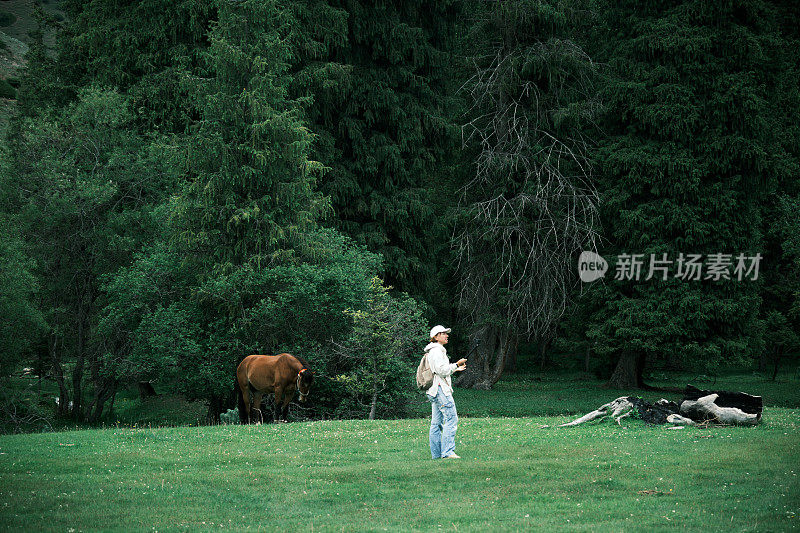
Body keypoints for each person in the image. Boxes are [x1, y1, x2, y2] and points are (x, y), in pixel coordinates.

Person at [425, 325, 467, 459]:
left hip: (434, 391)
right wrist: (456, 364)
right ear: (436, 337)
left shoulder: (434, 351)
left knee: (436, 423)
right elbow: (441, 370)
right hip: (440, 390)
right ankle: (448, 452)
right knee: (451, 418)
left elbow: (440, 369)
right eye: (443, 333)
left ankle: (437, 455)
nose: (446, 335)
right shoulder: (437, 351)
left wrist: (455, 368)